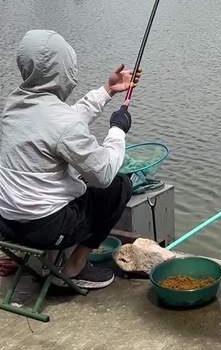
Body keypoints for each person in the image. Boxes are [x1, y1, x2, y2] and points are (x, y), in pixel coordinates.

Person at [0, 30, 140, 290]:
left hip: (7, 225)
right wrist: (118, 130)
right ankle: (75, 268)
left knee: (72, 181)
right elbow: (104, 172)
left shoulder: (14, 104)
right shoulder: (61, 122)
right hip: (45, 230)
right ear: (64, 69)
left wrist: (108, 90)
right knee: (118, 187)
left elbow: (62, 123)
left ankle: (32, 260)